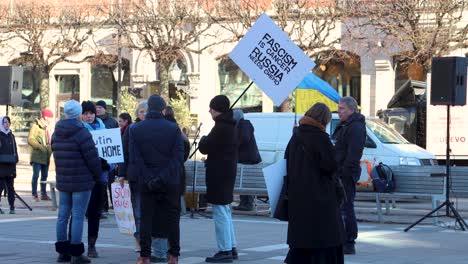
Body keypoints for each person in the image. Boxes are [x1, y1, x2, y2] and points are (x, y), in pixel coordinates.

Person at [284, 103, 344, 264]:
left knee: (302, 241)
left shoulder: (295, 136)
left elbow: (286, 163)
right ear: (324, 120)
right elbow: (331, 166)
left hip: (298, 198)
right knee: (324, 240)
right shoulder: (321, 138)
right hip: (321, 199)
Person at [130, 95, 184, 264]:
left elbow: (135, 158)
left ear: (148, 109)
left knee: (146, 218)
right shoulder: (173, 129)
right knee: (172, 219)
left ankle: (144, 255)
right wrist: (162, 177)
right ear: (163, 110)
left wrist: (149, 178)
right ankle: (173, 254)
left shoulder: (136, 129)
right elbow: (177, 159)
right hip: (169, 181)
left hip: (146, 181)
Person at [52, 100, 102, 264]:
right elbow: (92, 158)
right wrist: (97, 174)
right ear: (79, 114)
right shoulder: (82, 132)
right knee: (78, 215)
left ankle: (62, 252)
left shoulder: (56, 132)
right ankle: (76, 253)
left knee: (63, 215)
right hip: (81, 180)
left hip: (64, 179)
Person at [199, 95, 239, 263]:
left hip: (219, 175)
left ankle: (225, 250)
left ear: (217, 109)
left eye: (211, 108)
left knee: (221, 213)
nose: (209, 111)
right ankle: (231, 247)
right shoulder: (230, 125)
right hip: (226, 174)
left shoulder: (221, 127)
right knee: (225, 211)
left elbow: (205, 147)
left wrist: (203, 139)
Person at [331, 96, 366, 255]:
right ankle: (341, 238)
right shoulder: (345, 125)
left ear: (352, 109)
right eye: (339, 108)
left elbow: (353, 154)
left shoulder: (356, 127)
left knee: (346, 207)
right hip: (338, 172)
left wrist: (343, 172)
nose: (339, 112)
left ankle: (349, 241)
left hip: (345, 174)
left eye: (342, 109)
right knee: (340, 208)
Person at [81, 100, 112, 258]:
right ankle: (75, 244)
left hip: (100, 177)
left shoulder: (103, 128)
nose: (89, 116)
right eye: (85, 113)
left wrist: (109, 165)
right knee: (79, 212)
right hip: (85, 177)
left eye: (91, 113)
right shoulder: (80, 130)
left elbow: (112, 152)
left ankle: (92, 245)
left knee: (95, 213)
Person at [232, 109, 262, 212]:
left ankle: (247, 204)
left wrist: (234, 143)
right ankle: (244, 203)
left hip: (247, 158)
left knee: (245, 180)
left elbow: (244, 138)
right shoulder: (242, 125)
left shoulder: (244, 124)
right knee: (244, 180)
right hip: (246, 158)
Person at [95, 100, 119, 214]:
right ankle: (103, 207)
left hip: (110, 157)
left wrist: (117, 159)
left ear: (105, 109)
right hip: (98, 158)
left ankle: (115, 205)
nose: (98, 109)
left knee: (111, 183)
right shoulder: (94, 122)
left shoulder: (112, 122)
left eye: (100, 107)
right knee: (101, 183)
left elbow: (116, 140)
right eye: (97, 107)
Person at [28, 109, 53, 201]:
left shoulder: (48, 128)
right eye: (50, 117)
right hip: (37, 156)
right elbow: (31, 139)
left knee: (44, 176)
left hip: (46, 156)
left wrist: (51, 149)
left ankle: (43, 194)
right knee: (36, 175)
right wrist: (40, 147)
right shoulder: (36, 126)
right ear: (45, 117)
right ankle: (34, 194)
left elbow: (50, 141)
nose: (51, 119)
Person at [0, 116, 18, 214]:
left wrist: (16, 159)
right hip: (1, 167)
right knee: (1, 187)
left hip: (10, 166)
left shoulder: (12, 135)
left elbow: (15, 149)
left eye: (8, 122)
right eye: (5, 122)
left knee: (11, 188)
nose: (7, 124)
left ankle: (12, 206)